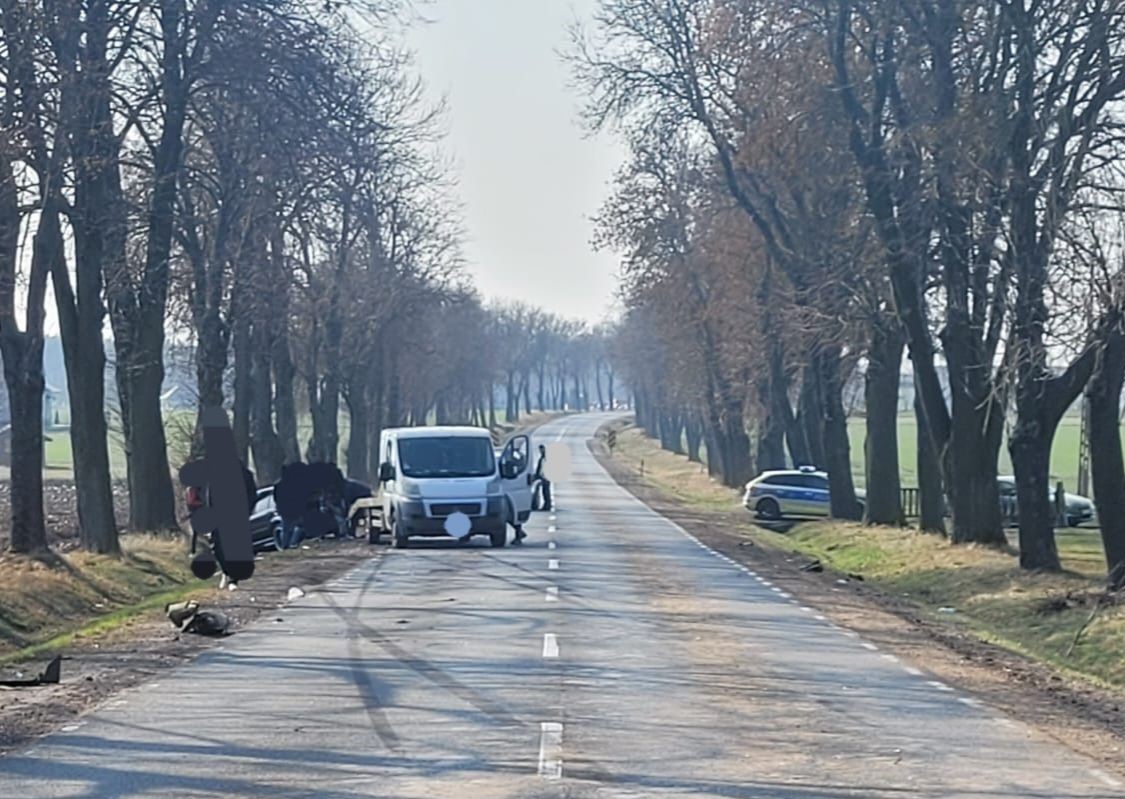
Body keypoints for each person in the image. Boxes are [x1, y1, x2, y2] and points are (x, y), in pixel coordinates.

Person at [534, 444, 552, 512]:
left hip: (546, 477)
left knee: (546, 492)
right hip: (543, 477)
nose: (540, 451)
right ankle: (546, 505)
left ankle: (548, 505)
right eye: (540, 450)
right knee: (544, 492)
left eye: (541, 449)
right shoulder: (542, 458)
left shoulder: (546, 458)